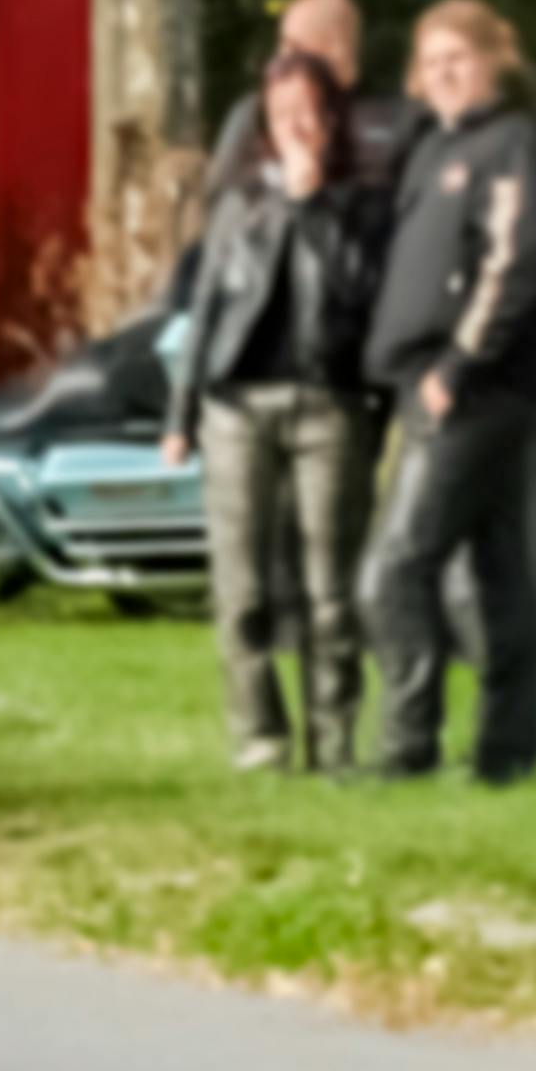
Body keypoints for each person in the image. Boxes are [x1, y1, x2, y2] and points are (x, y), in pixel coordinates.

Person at [362, 0, 536, 784]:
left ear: (495, 60)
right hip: (438, 381)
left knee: (395, 568)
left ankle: (407, 747)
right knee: (494, 576)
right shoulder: (434, 148)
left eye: (459, 57)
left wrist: (457, 365)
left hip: (477, 390)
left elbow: (515, 263)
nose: (443, 74)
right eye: (431, 60)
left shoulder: (511, 145)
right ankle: (507, 751)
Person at [166, 48, 383, 772]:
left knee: (330, 589)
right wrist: (180, 410)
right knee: (243, 587)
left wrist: (312, 203)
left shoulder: (360, 203)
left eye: (308, 113)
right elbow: (205, 308)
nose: (295, 127)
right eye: (281, 114)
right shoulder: (237, 203)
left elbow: (358, 298)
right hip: (236, 406)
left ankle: (334, 742)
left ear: (330, 121)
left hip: (327, 404)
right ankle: (260, 740)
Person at [219, 0, 418, 198]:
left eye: (293, 45)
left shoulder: (393, 117)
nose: (281, 55)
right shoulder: (254, 113)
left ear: (334, 47)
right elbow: (224, 196)